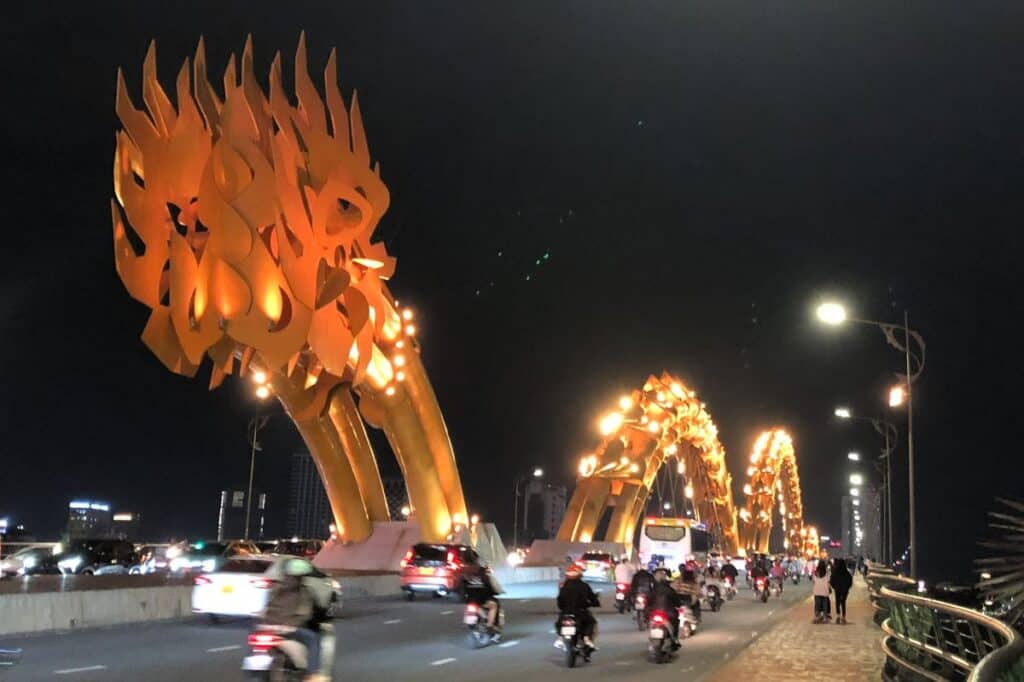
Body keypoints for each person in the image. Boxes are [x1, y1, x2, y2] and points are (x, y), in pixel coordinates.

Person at [262, 559, 333, 682]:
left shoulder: (274, 587)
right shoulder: (304, 591)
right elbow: (305, 614)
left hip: (268, 627)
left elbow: (266, 607)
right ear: (301, 575)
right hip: (290, 628)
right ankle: (313, 675)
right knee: (314, 639)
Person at [557, 564, 600, 651]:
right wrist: (595, 603)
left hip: (566, 612)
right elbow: (592, 598)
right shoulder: (584, 586)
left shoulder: (563, 586)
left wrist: (563, 608)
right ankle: (586, 638)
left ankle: (560, 637)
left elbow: (559, 600)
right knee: (591, 622)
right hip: (580, 612)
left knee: (559, 622)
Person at [465, 567, 505, 640]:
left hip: (470, 601)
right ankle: (489, 625)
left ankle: (481, 623)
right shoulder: (486, 577)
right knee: (494, 605)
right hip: (482, 601)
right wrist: (499, 592)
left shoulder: (468, 578)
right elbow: (495, 589)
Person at [650, 567, 683, 646]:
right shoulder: (669, 589)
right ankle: (674, 638)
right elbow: (677, 601)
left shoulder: (653, 589)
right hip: (668, 612)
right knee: (675, 621)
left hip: (655, 612)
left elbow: (649, 601)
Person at [830, 557, 853, 624]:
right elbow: (850, 581)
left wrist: (834, 587)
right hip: (844, 590)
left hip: (837, 589)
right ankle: (843, 616)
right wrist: (847, 587)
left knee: (837, 601)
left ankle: (838, 615)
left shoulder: (835, 572)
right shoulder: (846, 572)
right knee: (843, 602)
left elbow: (832, 580)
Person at [812, 559, 832, 624]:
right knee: (824, 604)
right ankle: (825, 617)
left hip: (817, 591)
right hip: (824, 591)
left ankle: (817, 616)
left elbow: (813, 581)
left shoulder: (815, 573)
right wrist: (829, 588)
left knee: (817, 604)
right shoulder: (827, 573)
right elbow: (828, 582)